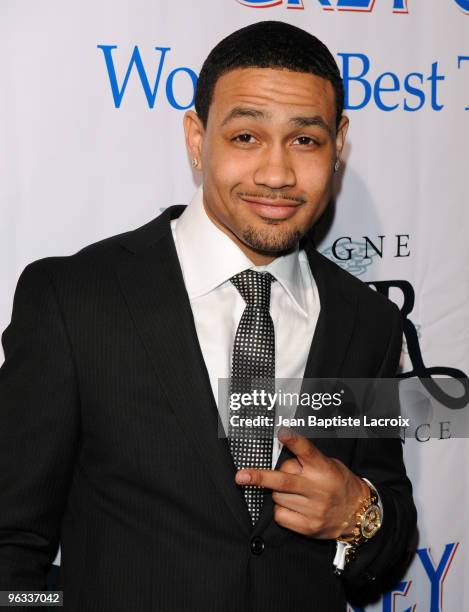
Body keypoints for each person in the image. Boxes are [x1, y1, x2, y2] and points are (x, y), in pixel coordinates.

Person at [0, 20, 416, 612]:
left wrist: (360, 514)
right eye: (246, 136)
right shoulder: (75, 298)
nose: (277, 175)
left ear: (338, 143)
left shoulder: (368, 321)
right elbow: (12, 540)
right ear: (197, 138)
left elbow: (389, 515)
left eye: (305, 140)